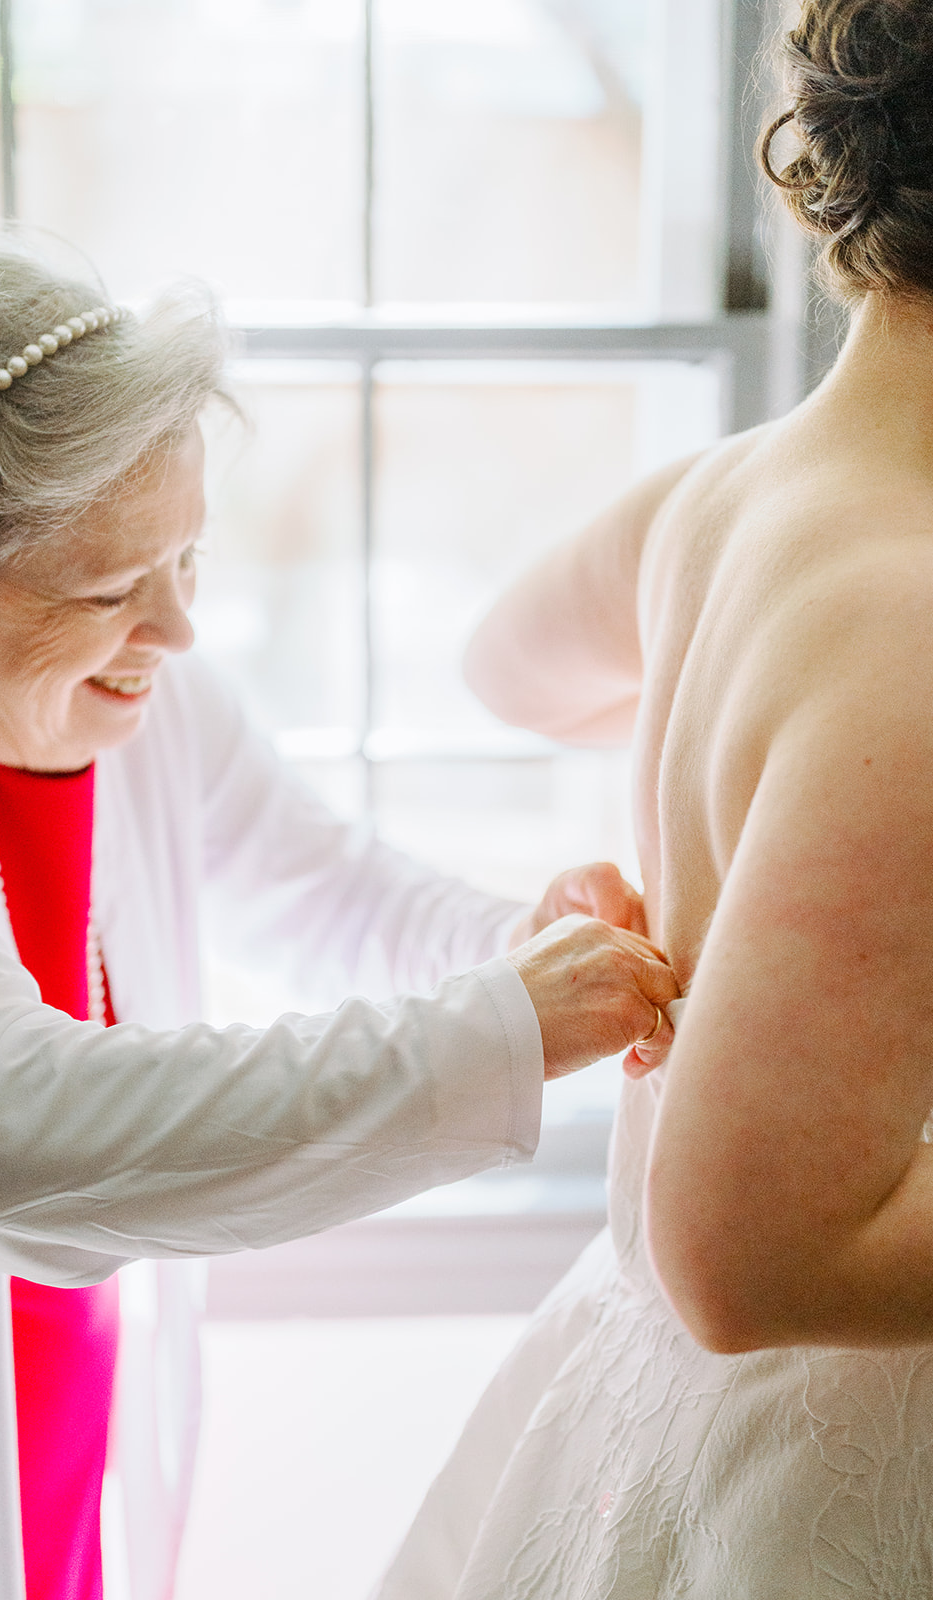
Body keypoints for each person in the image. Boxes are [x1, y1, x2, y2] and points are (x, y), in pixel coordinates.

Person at [0, 244, 679, 1600]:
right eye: (110, 589)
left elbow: (325, 891)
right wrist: (502, 1027)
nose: (179, 626)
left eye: (187, 556)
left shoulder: (147, 710)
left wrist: (514, 941)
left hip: (65, 1411)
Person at [374, 2, 933, 1596]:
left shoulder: (736, 495)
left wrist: (740, 804)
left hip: (667, 1424)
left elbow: (511, 666)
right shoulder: (910, 617)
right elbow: (747, 1251)